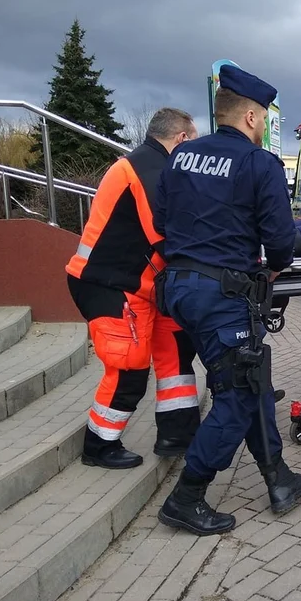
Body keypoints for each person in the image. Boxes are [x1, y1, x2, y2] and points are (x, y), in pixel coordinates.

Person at [153, 64, 301, 536]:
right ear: (250, 116)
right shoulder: (258, 163)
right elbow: (281, 242)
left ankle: (278, 478)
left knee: (253, 382)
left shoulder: (181, 158)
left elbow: (164, 222)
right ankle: (187, 497)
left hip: (182, 289)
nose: (267, 125)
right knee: (237, 395)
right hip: (224, 296)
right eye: (264, 117)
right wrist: (270, 263)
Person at [66, 108, 202, 469]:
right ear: (182, 140)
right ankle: (99, 444)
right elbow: (168, 235)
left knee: (174, 351)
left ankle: (178, 433)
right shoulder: (147, 169)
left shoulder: (150, 166)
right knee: (128, 369)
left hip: (139, 286)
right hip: (110, 286)